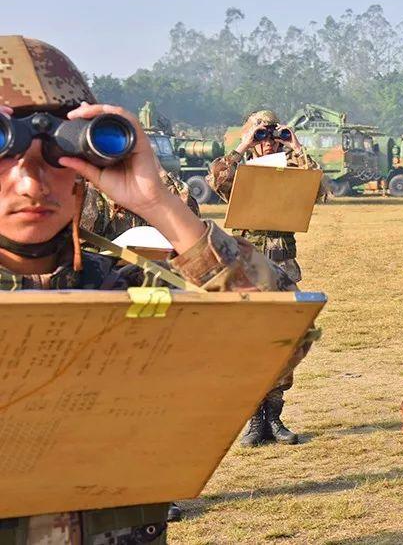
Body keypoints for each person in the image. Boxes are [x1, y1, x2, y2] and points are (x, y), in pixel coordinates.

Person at [0, 35, 293, 544]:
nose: (31, 184)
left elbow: (281, 335)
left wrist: (158, 203)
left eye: (54, 155)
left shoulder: (127, 286)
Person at [207, 110, 321, 445]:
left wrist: (295, 144)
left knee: (285, 341)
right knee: (249, 342)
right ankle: (255, 421)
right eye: (261, 135)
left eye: (272, 135)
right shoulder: (240, 172)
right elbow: (217, 179)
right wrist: (244, 144)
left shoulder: (291, 169)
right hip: (246, 266)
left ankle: (275, 417)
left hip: (283, 267)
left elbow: (318, 188)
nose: (267, 141)